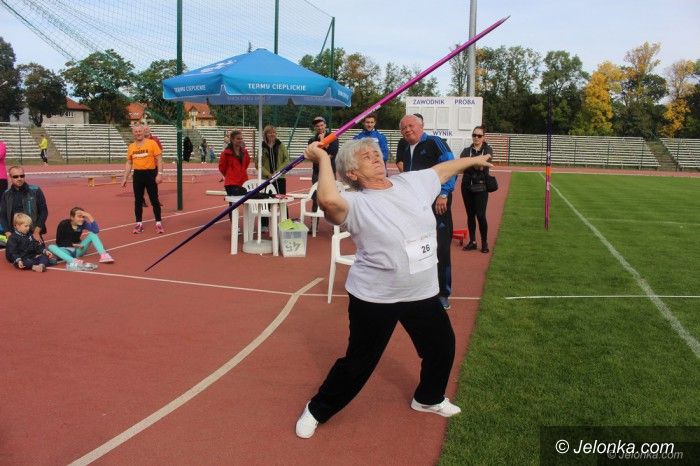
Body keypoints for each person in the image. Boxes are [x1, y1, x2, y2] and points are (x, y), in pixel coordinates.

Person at [295, 138, 492, 439]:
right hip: (376, 296)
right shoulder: (354, 202)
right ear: (352, 173)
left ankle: (428, 398)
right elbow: (329, 203)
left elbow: (442, 171)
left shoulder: (410, 182)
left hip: (422, 292)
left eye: (376, 153)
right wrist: (322, 158)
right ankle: (317, 409)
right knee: (359, 362)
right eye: (366, 157)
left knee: (441, 347)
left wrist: (473, 161)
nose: (376, 157)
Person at [396, 114, 456, 311]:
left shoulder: (435, 143)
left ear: (421, 126)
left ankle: (443, 293)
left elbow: (450, 167)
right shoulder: (405, 147)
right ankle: (420, 289)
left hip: (437, 204)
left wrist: (444, 193)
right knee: (417, 247)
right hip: (415, 207)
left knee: (441, 248)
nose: (407, 130)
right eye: (403, 128)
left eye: (411, 126)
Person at [121, 125, 165, 234]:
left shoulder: (152, 143)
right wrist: (125, 177)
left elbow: (159, 159)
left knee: (154, 200)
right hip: (138, 175)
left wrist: (159, 174)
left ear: (143, 132)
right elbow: (129, 162)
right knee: (138, 200)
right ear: (133, 133)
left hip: (150, 174)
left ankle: (158, 223)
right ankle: (139, 224)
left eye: (140, 131)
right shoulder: (131, 146)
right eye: (136, 132)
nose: (138, 133)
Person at [460, 125, 493, 253]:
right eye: (474, 135)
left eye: (479, 135)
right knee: (470, 215)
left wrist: (470, 162)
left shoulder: (488, 149)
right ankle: (473, 241)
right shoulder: (466, 150)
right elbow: (462, 166)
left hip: (481, 186)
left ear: (484, 137)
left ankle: (484, 242)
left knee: (480, 215)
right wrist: (476, 163)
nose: (476, 138)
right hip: (466, 186)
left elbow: (483, 165)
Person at [47, 207, 113, 271]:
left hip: (78, 251)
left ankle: (104, 255)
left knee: (92, 234)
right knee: (51, 246)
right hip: (66, 251)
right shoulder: (63, 224)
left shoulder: (83, 223)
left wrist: (89, 216)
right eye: (79, 216)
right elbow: (59, 242)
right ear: (72, 217)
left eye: (83, 217)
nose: (82, 219)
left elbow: (96, 231)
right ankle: (73, 261)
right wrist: (73, 245)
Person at [0, 166, 49, 242]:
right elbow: (2, 215)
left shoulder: (35, 190)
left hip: (33, 232)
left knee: (40, 249)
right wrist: (8, 233)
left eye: (22, 176)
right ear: (10, 178)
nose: (19, 178)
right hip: (14, 234)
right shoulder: (6, 194)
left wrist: (36, 232)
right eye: (15, 176)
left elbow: (44, 212)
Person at [308, 116, 339, 212]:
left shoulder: (333, 137)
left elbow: (332, 153)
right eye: (317, 126)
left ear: (325, 125)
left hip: (330, 171)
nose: (320, 128)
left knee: (332, 197)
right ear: (315, 128)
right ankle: (314, 221)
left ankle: (333, 221)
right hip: (317, 172)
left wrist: (322, 142)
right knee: (316, 197)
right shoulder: (312, 140)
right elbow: (312, 156)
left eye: (321, 125)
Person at [219, 130, 251, 218]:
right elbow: (222, 167)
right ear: (232, 140)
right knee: (233, 205)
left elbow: (247, 163)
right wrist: (230, 174)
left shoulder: (244, 152)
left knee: (248, 203)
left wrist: (241, 172)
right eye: (238, 139)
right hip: (231, 183)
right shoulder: (226, 153)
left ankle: (248, 223)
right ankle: (234, 224)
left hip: (244, 181)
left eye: (241, 138)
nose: (240, 140)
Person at [261, 125, 290, 195]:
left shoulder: (281, 145)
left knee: (281, 199)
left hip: (280, 178)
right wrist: (268, 174)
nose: (272, 134)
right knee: (267, 199)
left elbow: (287, 160)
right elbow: (258, 164)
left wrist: (278, 172)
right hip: (266, 179)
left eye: (274, 132)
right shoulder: (262, 147)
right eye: (270, 133)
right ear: (265, 134)